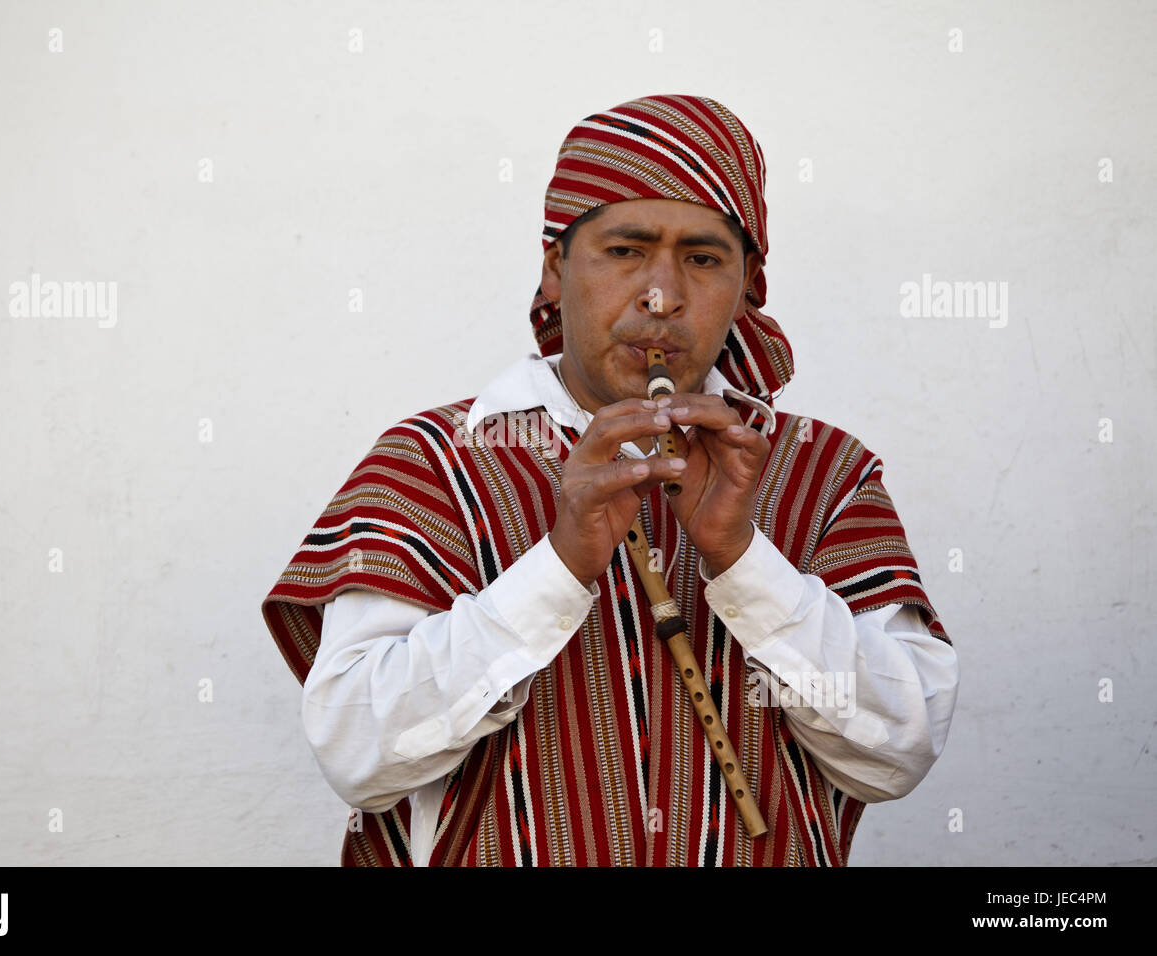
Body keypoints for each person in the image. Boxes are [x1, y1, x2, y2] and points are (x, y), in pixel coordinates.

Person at [262, 94, 958, 866]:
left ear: (748, 283)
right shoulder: (434, 458)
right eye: (626, 251)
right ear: (556, 269)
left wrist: (742, 558)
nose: (662, 296)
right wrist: (559, 564)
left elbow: (902, 748)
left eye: (702, 258)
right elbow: (358, 751)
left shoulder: (823, 472)